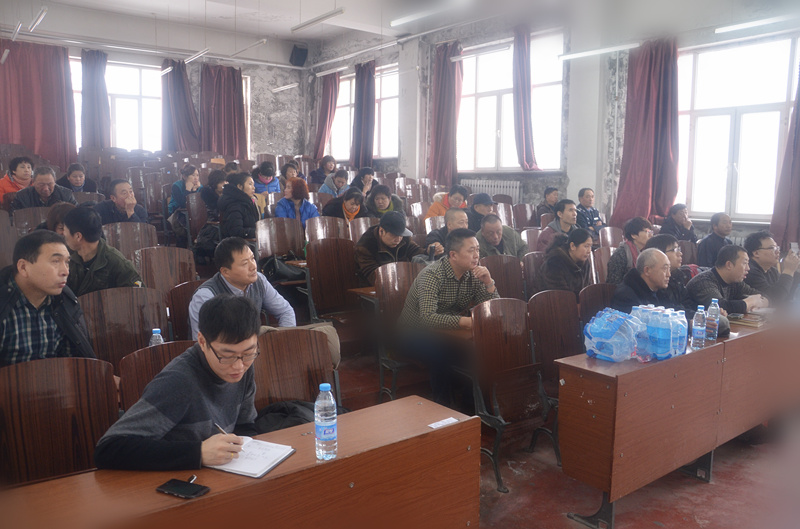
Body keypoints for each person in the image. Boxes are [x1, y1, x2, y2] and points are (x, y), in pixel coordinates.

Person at [95, 295, 261, 470]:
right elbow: (108, 449)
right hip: (176, 475)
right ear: (202, 341)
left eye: (249, 353)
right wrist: (198, 453)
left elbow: (245, 426)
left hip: (222, 472)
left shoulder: (243, 366)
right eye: (227, 356)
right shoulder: (179, 382)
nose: (239, 366)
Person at [398, 228, 498, 405]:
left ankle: (470, 406)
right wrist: (466, 322)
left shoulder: (474, 273)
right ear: (453, 255)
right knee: (440, 354)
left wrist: (489, 283)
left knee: (477, 352)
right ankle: (442, 405)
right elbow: (428, 318)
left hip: (446, 332)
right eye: (471, 250)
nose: (476, 255)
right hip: (413, 333)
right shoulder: (432, 275)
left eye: (477, 249)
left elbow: (493, 310)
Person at [0, 231, 95, 366]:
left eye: (67, 262)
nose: (66, 271)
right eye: (56, 261)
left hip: (56, 378)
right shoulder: (4, 305)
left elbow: (74, 362)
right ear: (23, 267)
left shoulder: (65, 300)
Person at [189, 237, 295, 339]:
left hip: (254, 348)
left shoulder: (259, 280)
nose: (253, 266)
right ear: (225, 272)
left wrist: (283, 339)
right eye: (244, 264)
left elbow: (285, 311)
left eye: (252, 258)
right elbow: (203, 343)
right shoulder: (205, 297)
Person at [62, 207, 142, 296]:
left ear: (78, 236)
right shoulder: (65, 257)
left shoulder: (117, 263)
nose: (63, 234)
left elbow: (139, 296)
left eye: (65, 231)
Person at [687, 245, 768, 315]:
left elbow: (762, 296)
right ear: (729, 265)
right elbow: (719, 307)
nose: (748, 268)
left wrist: (759, 302)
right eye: (744, 263)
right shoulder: (703, 282)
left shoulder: (735, 281)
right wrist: (750, 302)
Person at [355, 211, 426, 285]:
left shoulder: (404, 238)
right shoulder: (365, 246)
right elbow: (374, 276)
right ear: (381, 231)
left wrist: (428, 251)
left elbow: (416, 251)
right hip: (374, 287)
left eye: (401, 235)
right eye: (394, 235)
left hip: (402, 282)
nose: (398, 240)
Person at [743, 231, 800, 305]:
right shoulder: (749, 271)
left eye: (777, 248)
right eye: (772, 248)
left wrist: (794, 270)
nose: (777, 252)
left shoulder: (772, 270)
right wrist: (788, 270)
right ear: (756, 253)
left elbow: (786, 295)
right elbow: (774, 298)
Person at [610, 248, 674, 314]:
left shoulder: (660, 290)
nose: (669, 274)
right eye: (665, 268)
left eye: (669, 269)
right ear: (647, 270)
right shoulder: (625, 297)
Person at [537, 229, 594, 299]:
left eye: (590, 246)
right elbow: (561, 296)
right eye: (586, 246)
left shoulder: (585, 263)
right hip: (551, 303)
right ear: (572, 246)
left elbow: (587, 290)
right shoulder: (554, 263)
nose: (589, 251)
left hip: (576, 303)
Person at [644, 234, 692, 316]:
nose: (680, 253)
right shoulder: (655, 281)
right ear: (659, 254)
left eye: (679, 249)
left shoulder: (678, 276)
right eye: (674, 250)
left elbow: (688, 304)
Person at [605, 217, 654, 285]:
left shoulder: (647, 253)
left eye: (651, 232)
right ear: (633, 235)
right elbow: (614, 283)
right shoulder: (621, 254)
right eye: (647, 232)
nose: (651, 235)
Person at [11, 166, 77, 210]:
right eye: (41, 184)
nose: (46, 188)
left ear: (54, 181)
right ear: (33, 182)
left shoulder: (66, 195)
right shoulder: (22, 196)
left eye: (49, 184)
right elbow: (13, 219)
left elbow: (76, 214)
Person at [218, 172, 260, 239]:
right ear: (240, 186)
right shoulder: (234, 205)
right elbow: (236, 232)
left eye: (253, 185)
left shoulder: (248, 202)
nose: (253, 188)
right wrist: (258, 232)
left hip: (250, 241)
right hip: (240, 243)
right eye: (250, 184)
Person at [168, 164, 202, 244]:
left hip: (195, 214)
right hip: (178, 213)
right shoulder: (176, 186)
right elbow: (183, 204)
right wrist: (188, 190)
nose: (196, 178)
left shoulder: (200, 187)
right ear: (184, 176)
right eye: (193, 175)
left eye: (197, 175)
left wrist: (194, 190)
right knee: (183, 224)